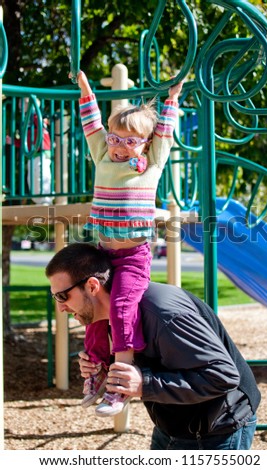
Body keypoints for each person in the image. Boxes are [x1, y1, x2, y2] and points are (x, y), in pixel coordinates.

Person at [46, 242, 261, 450]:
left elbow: (223, 376)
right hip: (173, 427)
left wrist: (143, 384)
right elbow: (154, 359)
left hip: (218, 430)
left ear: (92, 286)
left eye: (62, 296)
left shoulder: (164, 315)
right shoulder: (109, 319)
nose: (60, 307)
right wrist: (106, 370)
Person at [70, 70, 183, 416]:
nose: (119, 145)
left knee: (120, 309)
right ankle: (96, 371)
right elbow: (92, 126)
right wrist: (86, 90)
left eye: (128, 140)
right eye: (115, 137)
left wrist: (173, 99)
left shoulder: (152, 163)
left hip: (134, 257)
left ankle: (120, 385)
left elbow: (165, 130)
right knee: (93, 311)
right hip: (103, 255)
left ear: (145, 144)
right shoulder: (103, 154)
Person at [6, 97, 53, 205]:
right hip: (32, 152)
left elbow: (42, 129)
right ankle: (37, 200)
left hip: (41, 150)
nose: (20, 106)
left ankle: (46, 199)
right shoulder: (25, 121)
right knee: (31, 177)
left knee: (41, 174)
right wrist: (13, 141)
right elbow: (24, 141)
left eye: (23, 103)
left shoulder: (36, 117)